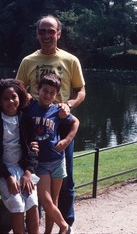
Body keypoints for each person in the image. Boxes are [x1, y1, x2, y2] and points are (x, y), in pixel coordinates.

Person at [16, 14, 86, 230]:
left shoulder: (70, 60)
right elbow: (18, 88)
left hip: (61, 122)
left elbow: (81, 90)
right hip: (35, 123)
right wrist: (25, 99)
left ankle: (67, 223)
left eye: (50, 30)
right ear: (37, 34)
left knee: (66, 182)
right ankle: (35, 225)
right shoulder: (28, 61)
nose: (46, 35)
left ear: (58, 33)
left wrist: (70, 105)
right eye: (42, 31)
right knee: (35, 180)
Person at [0, 78, 40, 234]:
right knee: (16, 202)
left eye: (14, 97)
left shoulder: (27, 121)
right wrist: (7, 176)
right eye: (5, 98)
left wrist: (28, 172)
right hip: (1, 170)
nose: (10, 101)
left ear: (20, 97)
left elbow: (32, 150)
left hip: (23, 169)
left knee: (32, 200)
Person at [26, 73, 80, 234]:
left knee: (53, 201)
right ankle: (64, 227)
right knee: (45, 199)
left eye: (52, 92)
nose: (48, 95)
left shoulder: (58, 111)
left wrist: (67, 140)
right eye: (45, 91)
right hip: (40, 163)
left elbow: (75, 122)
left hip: (57, 160)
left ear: (57, 94)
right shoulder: (30, 106)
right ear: (38, 89)